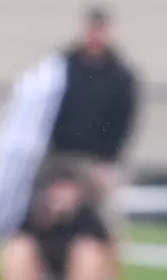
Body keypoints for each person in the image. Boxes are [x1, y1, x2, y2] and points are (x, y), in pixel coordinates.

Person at [46, 7, 138, 232]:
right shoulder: (63, 67)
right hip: (62, 155)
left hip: (99, 159)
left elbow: (123, 120)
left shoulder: (119, 75)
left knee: (104, 218)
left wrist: (110, 158)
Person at [0, 165, 111, 280]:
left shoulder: (88, 220)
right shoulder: (34, 217)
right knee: (19, 246)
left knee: (87, 248)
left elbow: (106, 255)